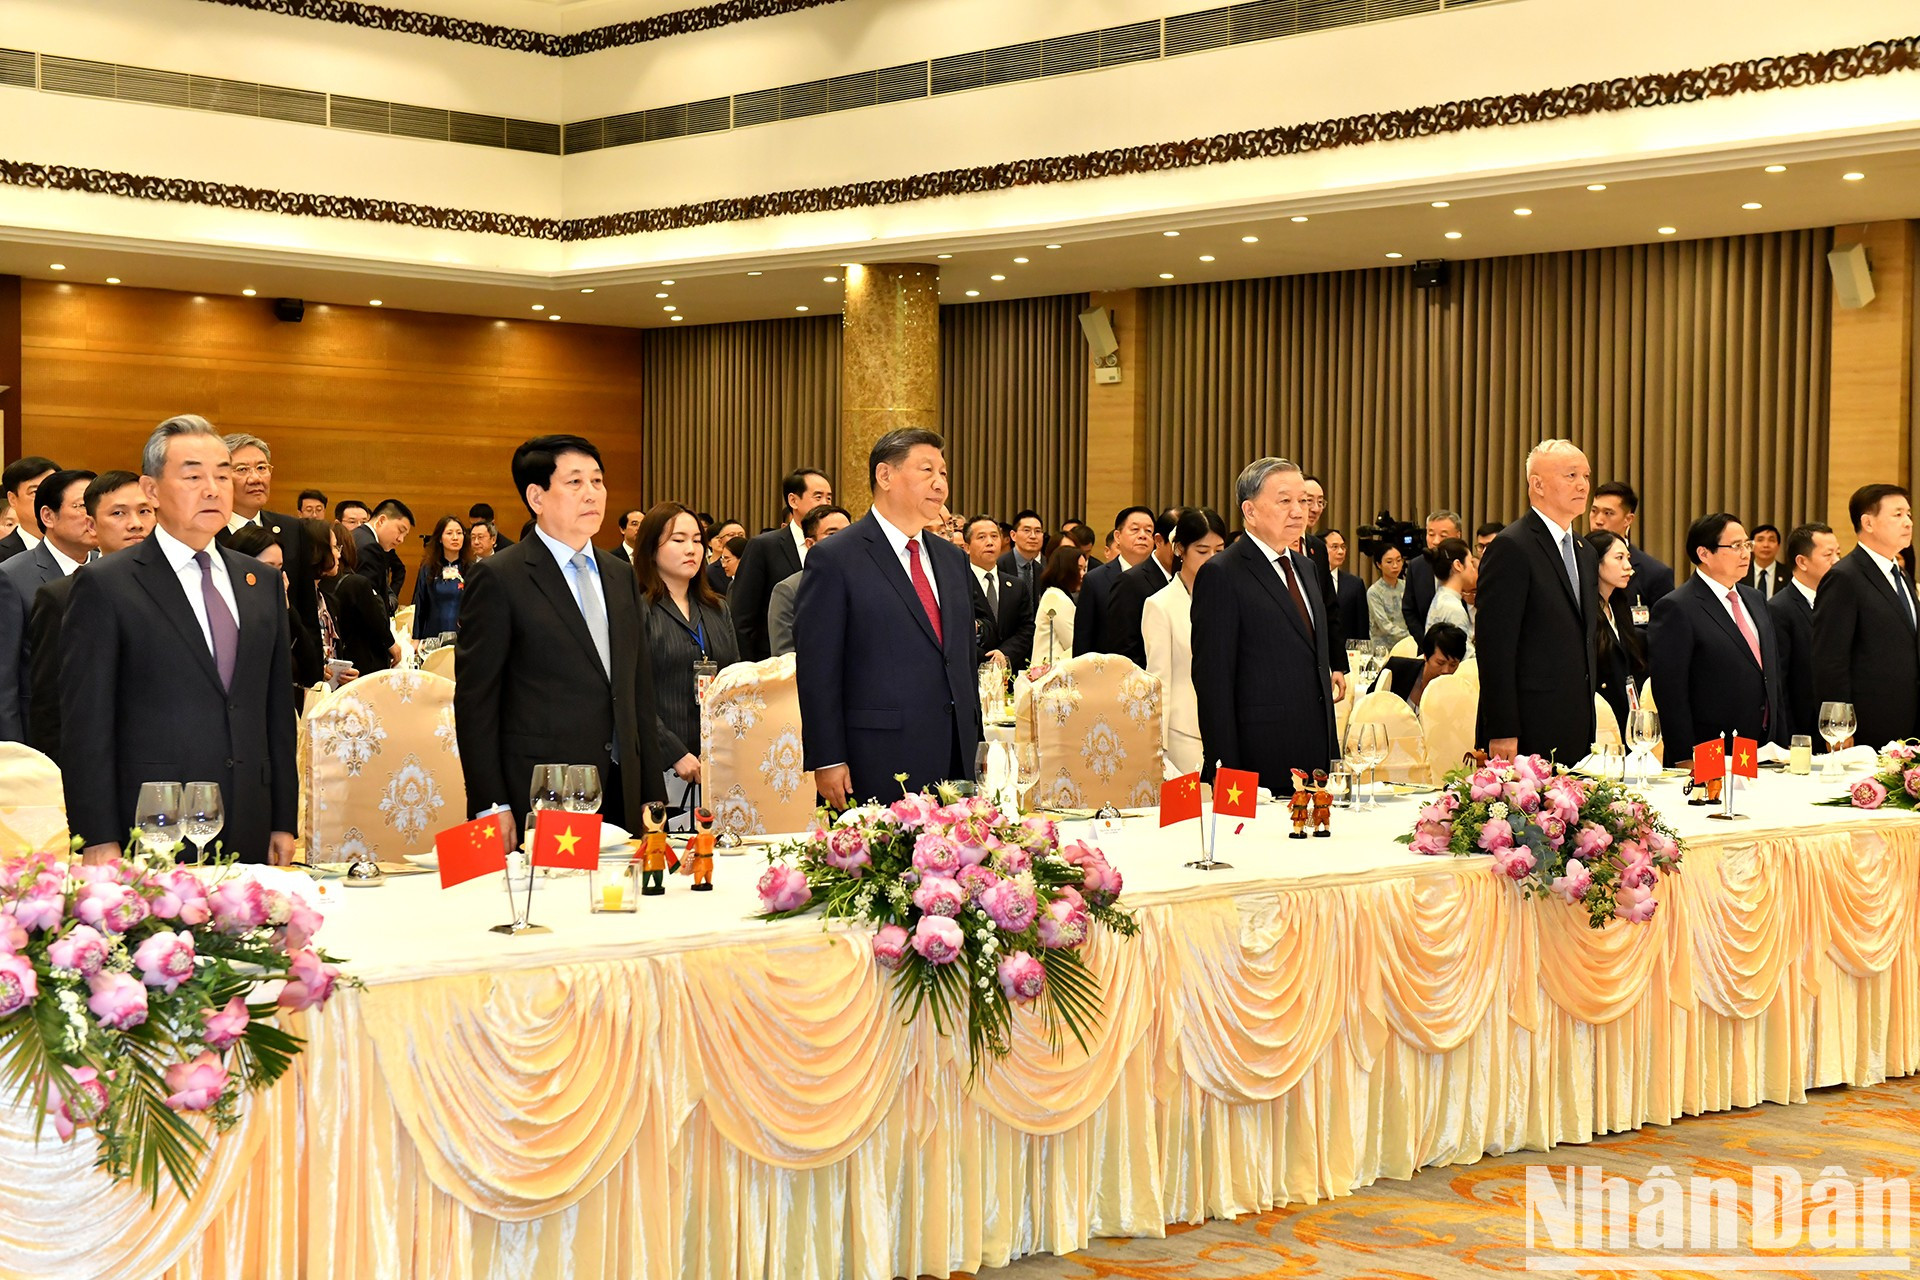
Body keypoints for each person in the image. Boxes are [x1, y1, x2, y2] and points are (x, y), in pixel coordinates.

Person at [61, 415, 297, 865]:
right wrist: (97, 837)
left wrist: (282, 817)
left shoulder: (259, 581)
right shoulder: (106, 584)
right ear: (151, 490)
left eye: (222, 475)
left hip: (249, 817)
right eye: (193, 476)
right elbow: (86, 725)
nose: (213, 488)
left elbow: (274, 711)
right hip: (153, 824)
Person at [456, 435, 665, 838]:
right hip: (544, 793)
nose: (592, 494)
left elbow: (638, 691)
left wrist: (651, 796)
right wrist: (491, 804)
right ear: (537, 496)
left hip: (622, 788)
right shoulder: (501, 577)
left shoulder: (620, 574)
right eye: (575, 483)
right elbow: (476, 703)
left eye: (598, 481)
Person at [797, 429, 980, 807]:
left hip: (954, 755)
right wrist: (828, 757)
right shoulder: (836, 558)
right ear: (885, 476)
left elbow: (959, 657)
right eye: (927, 469)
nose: (940, 483)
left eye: (943, 473)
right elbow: (818, 668)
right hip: (876, 756)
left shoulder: (953, 560)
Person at [1192, 458, 1346, 795]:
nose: (1299, 512)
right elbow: (1213, 682)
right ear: (1250, 511)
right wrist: (1226, 769)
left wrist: (1331, 753)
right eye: (1285, 501)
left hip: (1315, 754)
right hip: (1258, 755)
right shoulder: (1223, 573)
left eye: (1303, 501)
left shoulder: (1307, 568)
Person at [1476, 440, 1598, 764]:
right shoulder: (1512, 547)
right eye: (1571, 475)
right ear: (1537, 484)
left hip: (1576, 722)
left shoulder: (1585, 552)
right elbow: (1494, 647)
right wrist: (1502, 728)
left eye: (1586, 476)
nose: (1583, 485)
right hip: (1527, 726)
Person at [26, 471, 152, 758]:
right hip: (102, 764)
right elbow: (51, 709)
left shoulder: (180, 588)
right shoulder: (62, 597)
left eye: (145, 511)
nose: (136, 524)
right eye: (119, 513)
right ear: (93, 526)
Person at [1649, 514, 1786, 765]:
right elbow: (1670, 693)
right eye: (1736, 546)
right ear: (1704, 553)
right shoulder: (1677, 607)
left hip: (1763, 746)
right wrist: (1684, 757)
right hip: (1711, 748)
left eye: (1747, 545)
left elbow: (1771, 674)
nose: (1746, 554)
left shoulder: (1754, 599)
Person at [635, 501, 740, 794]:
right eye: (678, 540)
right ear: (651, 548)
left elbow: (734, 681)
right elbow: (631, 692)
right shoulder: (637, 609)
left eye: (697, 540)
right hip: (662, 764)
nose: (691, 549)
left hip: (718, 760)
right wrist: (672, 751)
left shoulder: (717, 608)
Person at [1813, 484, 1920, 750]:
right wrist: (1839, 726)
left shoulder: (1902, 575)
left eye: (1908, 514)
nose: (1908, 522)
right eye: (1897, 515)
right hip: (1869, 724)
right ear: (1868, 523)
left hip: (1910, 721)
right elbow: (1830, 658)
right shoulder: (1845, 577)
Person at [1143, 506, 1227, 776]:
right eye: (1203, 551)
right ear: (1179, 549)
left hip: (1230, 726)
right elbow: (1159, 681)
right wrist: (1158, 746)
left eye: (1219, 551)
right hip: (1185, 732)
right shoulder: (1160, 605)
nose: (1212, 559)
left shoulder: (1233, 600)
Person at [729, 469, 834, 661]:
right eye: (818, 497)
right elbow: (742, 616)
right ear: (793, 500)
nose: (825, 504)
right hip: (772, 662)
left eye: (829, 498)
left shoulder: (835, 547)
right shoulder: (764, 546)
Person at [221, 435, 314, 640]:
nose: (256, 478)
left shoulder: (292, 529)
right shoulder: (207, 535)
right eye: (242, 469)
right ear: (221, 477)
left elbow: (307, 608)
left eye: (262, 468)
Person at [1770, 521, 1838, 743]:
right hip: (1802, 733)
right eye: (1828, 555)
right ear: (1802, 561)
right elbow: (1780, 683)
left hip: (1839, 728)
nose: (1837, 562)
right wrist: (1792, 740)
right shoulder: (1779, 608)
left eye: (1838, 553)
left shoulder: (1839, 602)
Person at [767, 504, 851, 656]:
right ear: (810, 544)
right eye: (832, 534)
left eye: (848, 533)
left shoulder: (866, 583)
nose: (844, 540)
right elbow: (785, 657)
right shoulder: (789, 590)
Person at [1103, 506, 1182, 667]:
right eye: (1178, 545)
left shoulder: (1191, 579)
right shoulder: (1130, 582)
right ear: (1159, 541)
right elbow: (1125, 650)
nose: (1183, 552)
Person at [1587, 530, 1649, 731]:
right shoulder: (1584, 611)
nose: (1628, 567)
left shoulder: (1618, 605)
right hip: (1598, 719)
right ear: (1595, 562)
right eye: (1619, 558)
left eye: (1628, 558)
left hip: (1625, 713)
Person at [1074, 505, 1156, 656]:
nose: (1143, 535)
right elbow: (1083, 639)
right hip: (1107, 672)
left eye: (1149, 531)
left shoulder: (1161, 578)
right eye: (1135, 529)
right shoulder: (1095, 580)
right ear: (1118, 536)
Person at [320, 521, 397, 679]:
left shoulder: (317, 584)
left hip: (330, 667)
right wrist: (393, 647)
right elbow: (377, 623)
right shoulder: (357, 584)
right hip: (359, 667)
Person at [1587, 481, 1674, 617]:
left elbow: (1663, 630)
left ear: (1628, 519)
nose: (1598, 520)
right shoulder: (1573, 557)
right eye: (1594, 511)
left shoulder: (1654, 574)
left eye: (1608, 513)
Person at [961, 514, 1035, 670]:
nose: (990, 542)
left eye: (994, 536)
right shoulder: (958, 584)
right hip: (970, 669)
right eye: (981, 537)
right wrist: (987, 659)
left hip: (1009, 670)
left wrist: (1004, 653)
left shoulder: (1016, 585)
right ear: (967, 547)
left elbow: (1026, 628)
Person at [1399, 509, 1461, 637]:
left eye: (1443, 535)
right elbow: (1409, 609)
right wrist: (1426, 644)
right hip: (1426, 648)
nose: (1436, 541)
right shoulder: (1416, 566)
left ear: (1458, 535)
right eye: (1431, 534)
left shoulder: (1467, 564)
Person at [1381, 622, 1467, 709]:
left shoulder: (1457, 692)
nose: (1446, 671)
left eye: (1453, 665)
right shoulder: (1397, 669)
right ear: (1426, 656)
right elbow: (1370, 704)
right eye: (1440, 663)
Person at [410, 515, 471, 639]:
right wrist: (416, 638)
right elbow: (420, 604)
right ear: (440, 539)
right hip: (433, 634)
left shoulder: (472, 568)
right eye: (449, 533)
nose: (455, 537)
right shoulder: (428, 568)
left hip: (464, 636)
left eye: (459, 533)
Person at [352, 499, 413, 613]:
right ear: (381, 520)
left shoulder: (357, 535)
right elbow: (367, 602)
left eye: (405, 535)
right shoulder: (369, 547)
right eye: (400, 530)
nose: (401, 539)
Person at [1032, 544, 1087, 663]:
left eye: (1084, 569)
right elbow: (1073, 643)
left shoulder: (1055, 594)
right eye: (1079, 569)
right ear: (1066, 570)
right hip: (1052, 673)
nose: (1083, 574)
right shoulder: (1056, 598)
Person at [0, 457, 58, 563]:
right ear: (12, 499)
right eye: (35, 492)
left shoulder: (85, 550)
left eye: (52, 490)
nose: (46, 498)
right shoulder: (3, 557)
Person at [1423, 537, 1476, 649]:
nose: (1473, 568)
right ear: (1458, 565)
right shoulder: (1453, 608)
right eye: (1471, 562)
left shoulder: (1442, 597)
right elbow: (1464, 657)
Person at [1324, 530, 1369, 647]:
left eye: (1343, 547)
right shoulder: (1309, 579)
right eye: (1335, 547)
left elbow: (1362, 629)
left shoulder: (1355, 584)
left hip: (1346, 654)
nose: (1340, 552)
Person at [998, 508, 1047, 604]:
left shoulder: (1041, 569)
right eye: (1027, 530)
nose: (1033, 536)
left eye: (1037, 531)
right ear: (1013, 535)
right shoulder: (1000, 565)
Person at [1367, 545, 1410, 646]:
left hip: (1408, 645)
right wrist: (1410, 635)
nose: (1395, 566)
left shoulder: (1406, 586)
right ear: (1379, 564)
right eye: (1389, 562)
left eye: (1398, 560)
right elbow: (1384, 625)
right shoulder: (1374, 591)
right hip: (1383, 648)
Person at [704, 518, 745, 597]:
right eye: (731, 535)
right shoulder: (709, 572)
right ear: (720, 541)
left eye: (741, 535)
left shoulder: (754, 566)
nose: (736, 538)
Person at [1745, 524, 1786, 598]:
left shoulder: (1790, 575)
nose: (1766, 545)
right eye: (1760, 540)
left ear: (1778, 546)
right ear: (1751, 545)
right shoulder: (1741, 573)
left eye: (1771, 540)